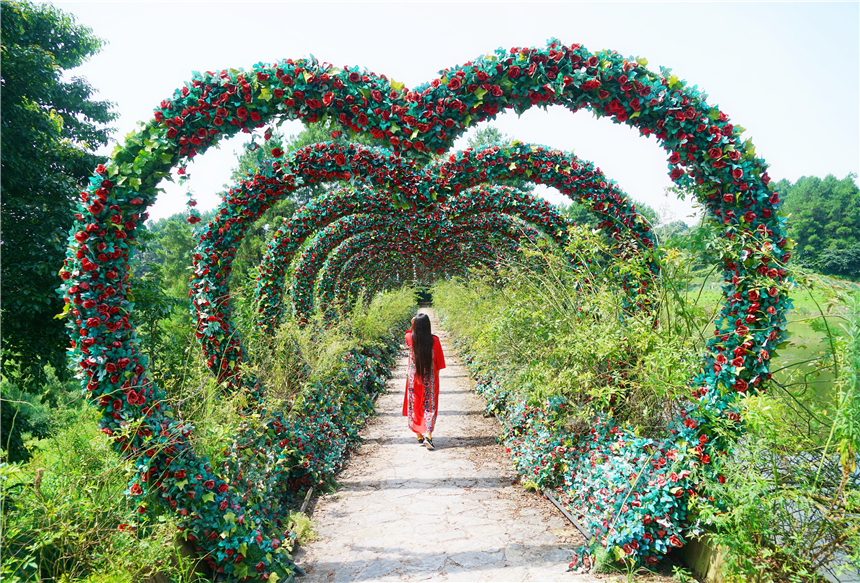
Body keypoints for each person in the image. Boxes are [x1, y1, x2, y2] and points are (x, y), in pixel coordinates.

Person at [403, 313, 446, 450]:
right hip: (430, 380)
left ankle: (419, 436)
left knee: (415, 405)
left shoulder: (410, 338)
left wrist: (412, 324)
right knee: (429, 407)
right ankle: (428, 435)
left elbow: (408, 332)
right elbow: (439, 364)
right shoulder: (435, 341)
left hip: (413, 379)